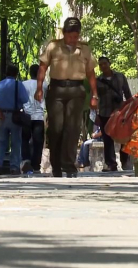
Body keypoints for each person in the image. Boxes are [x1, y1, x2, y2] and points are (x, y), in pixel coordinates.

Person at [36, 17, 98, 178]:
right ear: (64, 33)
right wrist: (39, 88)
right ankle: (56, 166)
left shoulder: (84, 49)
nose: (73, 39)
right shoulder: (53, 47)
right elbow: (43, 67)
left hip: (76, 91)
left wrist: (94, 94)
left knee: (72, 128)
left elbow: (91, 73)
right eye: (70, 35)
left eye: (76, 36)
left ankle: (69, 166)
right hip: (57, 89)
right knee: (56, 128)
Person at [0, 64, 29, 175]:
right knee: (16, 142)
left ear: (6, 73)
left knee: (1, 141)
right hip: (15, 116)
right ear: (16, 74)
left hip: (2, 116)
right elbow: (25, 99)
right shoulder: (18, 85)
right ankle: (14, 167)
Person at [96, 56, 133, 171]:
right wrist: (96, 114)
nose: (103, 66)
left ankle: (126, 162)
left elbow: (128, 93)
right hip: (104, 112)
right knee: (107, 139)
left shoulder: (120, 77)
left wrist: (130, 109)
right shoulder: (98, 81)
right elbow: (95, 98)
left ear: (109, 63)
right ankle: (110, 164)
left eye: (104, 63)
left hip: (120, 112)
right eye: (100, 64)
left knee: (124, 137)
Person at [21, 64, 47, 174]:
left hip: (26, 115)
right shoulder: (45, 85)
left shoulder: (23, 84)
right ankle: (36, 165)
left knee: (25, 140)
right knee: (38, 142)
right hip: (39, 116)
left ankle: (26, 161)